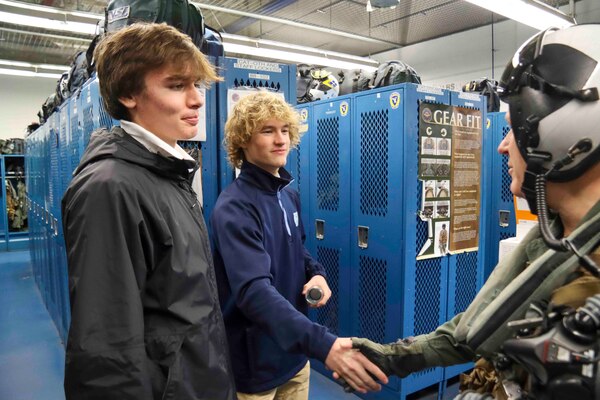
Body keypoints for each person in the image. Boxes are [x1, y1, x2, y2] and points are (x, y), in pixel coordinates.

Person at [350, 24, 600, 398]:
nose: (502, 147)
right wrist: (393, 357)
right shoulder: (553, 241)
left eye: (512, 131)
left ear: (554, 138)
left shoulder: (586, 272)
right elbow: (479, 325)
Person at [61, 23, 236, 399]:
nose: (197, 100)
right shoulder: (111, 188)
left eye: (197, 85)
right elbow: (107, 352)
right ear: (128, 94)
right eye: (176, 86)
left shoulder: (167, 173)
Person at [210, 91, 387, 399]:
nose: (280, 140)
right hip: (256, 365)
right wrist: (323, 343)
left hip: (294, 356)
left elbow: (297, 250)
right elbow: (253, 292)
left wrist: (316, 272)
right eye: (267, 131)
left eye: (284, 130)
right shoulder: (235, 207)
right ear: (243, 140)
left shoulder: (287, 195)